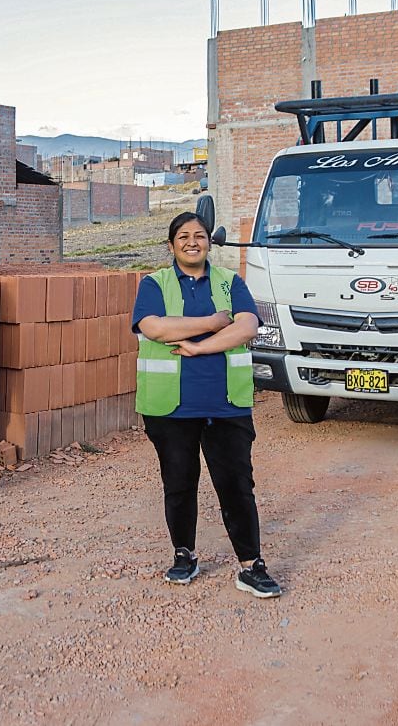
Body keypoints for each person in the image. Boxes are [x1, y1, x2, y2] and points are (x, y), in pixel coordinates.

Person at [133, 211, 281, 598]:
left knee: (236, 486)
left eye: (199, 235)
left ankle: (252, 565)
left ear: (209, 243)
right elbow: (155, 327)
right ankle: (184, 555)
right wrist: (215, 322)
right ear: (171, 245)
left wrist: (199, 343)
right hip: (170, 408)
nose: (192, 241)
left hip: (226, 405)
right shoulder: (154, 283)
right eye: (183, 236)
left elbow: (247, 326)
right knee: (179, 484)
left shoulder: (230, 282)